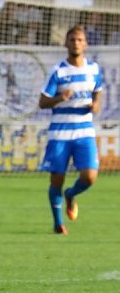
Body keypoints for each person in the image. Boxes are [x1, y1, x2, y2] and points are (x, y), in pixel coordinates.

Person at [38, 25, 103, 235]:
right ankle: (58, 223)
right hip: (60, 133)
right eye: (72, 39)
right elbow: (42, 102)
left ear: (86, 44)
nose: (76, 43)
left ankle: (71, 194)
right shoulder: (58, 71)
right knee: (56, 178)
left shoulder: (93, 69)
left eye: (79, 40)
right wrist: (60, 98)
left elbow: (97, 95)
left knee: (90, 177)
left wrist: (95, 106)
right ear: (66, 43)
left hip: (85, 131)